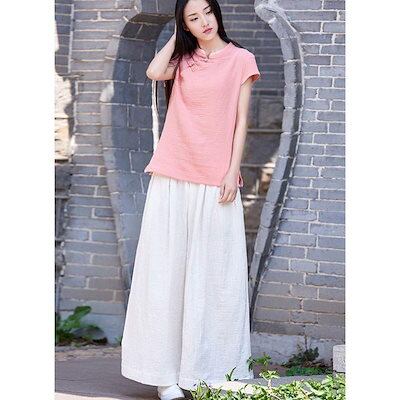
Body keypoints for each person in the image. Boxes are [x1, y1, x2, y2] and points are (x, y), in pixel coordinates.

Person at [121, 1, 260, 399]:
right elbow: (153, 72)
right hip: (172, 172)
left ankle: (210, 370)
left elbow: (242, 121)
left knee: (215, 276)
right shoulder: (182, 60)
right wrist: (175, 35)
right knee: (164, 273)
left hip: (215, 179)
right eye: (192, 18)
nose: (203, 22)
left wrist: (232, 171)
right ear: (185, 25)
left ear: (217, 12)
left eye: (207, 12)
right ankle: (164, 375)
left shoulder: (242, 59)